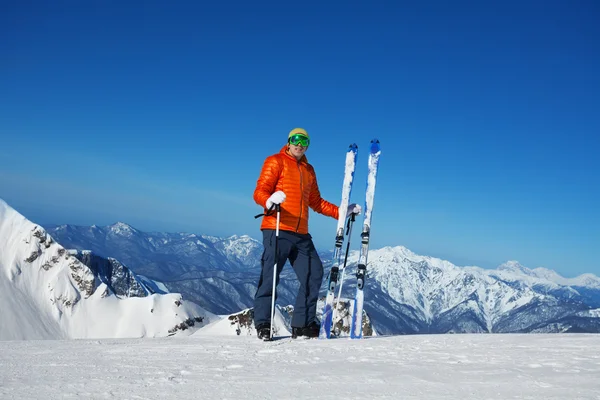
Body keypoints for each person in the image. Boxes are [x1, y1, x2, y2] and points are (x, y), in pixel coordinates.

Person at [253, 127, 360, 340]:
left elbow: (316, 202)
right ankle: (264, 324)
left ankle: (302, 324)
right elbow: (260, 190)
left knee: (314, 273)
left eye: (304, 141)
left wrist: (342, 212)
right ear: (289, 141)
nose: (300, 144)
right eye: (296, 139)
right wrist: (269, 200)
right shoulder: (275, 161)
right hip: (277, 227)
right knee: (270, 276)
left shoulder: (309, 170)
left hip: (301, 233)